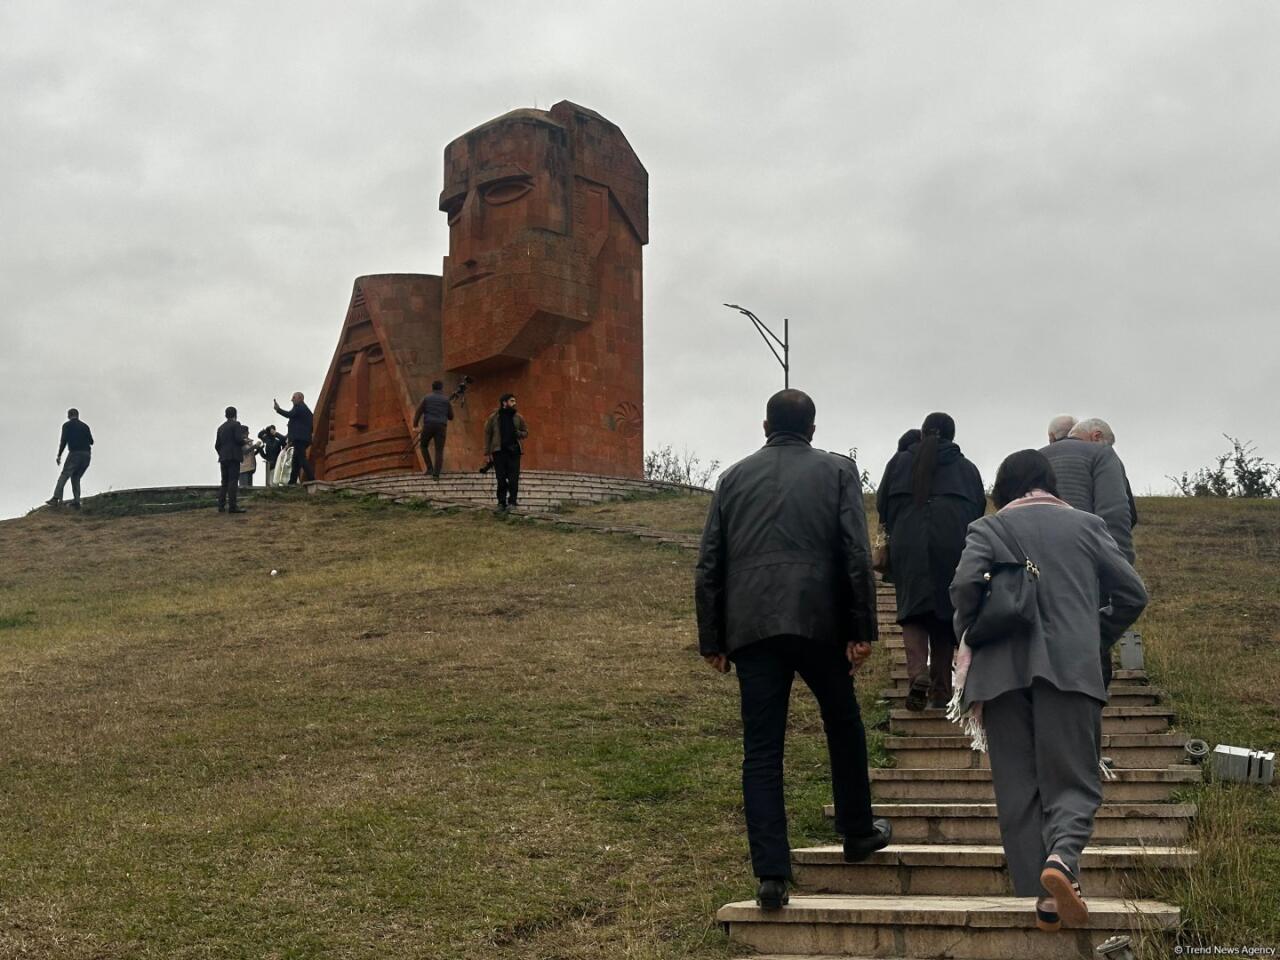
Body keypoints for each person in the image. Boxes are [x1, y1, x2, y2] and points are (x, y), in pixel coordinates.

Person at [695, 389, 889, 912]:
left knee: (761, 751)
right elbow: (853, 551)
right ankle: (856, 832)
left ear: (764, 427)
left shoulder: (732, 477)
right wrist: (861, 629)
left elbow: (710, 560)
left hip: (753, 628)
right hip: (821, 621)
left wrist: (712, 638)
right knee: (844, 725)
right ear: (813, 429)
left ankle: (772, 875)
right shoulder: (838, 471)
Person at [950, 449, 1147, 932]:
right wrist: (1093, 634)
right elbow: (1133, 594)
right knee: (1074, 781)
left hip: (998, 677)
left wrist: (973, 634)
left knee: (1018, 791)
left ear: (1002, 486)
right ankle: (1061, 859)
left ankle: (1045, 899)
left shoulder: (987, 528)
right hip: (1069, 669)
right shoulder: (1086, 525)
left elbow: (962, 588)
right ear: (1051, 482)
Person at [876, 412, 985, 711]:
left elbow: (882, 504)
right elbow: (978, 510)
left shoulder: (899, 462)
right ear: (953, 434)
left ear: (922, 434)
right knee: (944, 613)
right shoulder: (966, 468)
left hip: (907, 543)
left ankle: (917, 676)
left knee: (912, 611)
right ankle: (941, 689)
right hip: (953, 544)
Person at [1038, 418, 1134, 562]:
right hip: (1084, 556)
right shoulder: (1103, 453)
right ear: (1096, 436)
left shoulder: (1036, 457)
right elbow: (1115, 512)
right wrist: (1121, 561)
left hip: (1038, 556)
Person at [482, 394, 528, 512]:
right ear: (504, 402)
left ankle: (512, 501)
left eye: (515, 401)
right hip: (499, 452)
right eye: (512, 401)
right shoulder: (494, 418)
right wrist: (487, 453)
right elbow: (488, 434)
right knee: (500, 478)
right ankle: (501, 502)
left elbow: (526, 432)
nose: (514, 403)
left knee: (513, 478)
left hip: (514, 452)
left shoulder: (518, 417)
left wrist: (518, 433)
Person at [47, 408, 94, 509]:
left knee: (64, 475)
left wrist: (59, 455)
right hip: (86, 455)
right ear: (78, 415)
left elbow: (63, 441)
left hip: (74, 454)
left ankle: (55, 498)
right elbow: (91, 441)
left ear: (69, 416)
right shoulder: (85, 426)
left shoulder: (67, 426)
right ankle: (77, 502)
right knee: (76, 477)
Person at [413, 380, 454, 480]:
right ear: (441, 388)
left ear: (432, 388)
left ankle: (430, 468)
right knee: (439, 450)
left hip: (428, 425)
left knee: (423, 445)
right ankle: (436, 474)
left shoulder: (427, 398)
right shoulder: (446, 400)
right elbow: (451, 416)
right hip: (441, 427)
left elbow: (418, 412)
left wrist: (415, 425)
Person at [273, 392, 314, 485]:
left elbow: (290, 414)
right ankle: (292, 482)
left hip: (299, 438)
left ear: (300, 398)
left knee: (302, 459)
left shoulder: (300, 407)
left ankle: (312, 478)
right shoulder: (305, 410)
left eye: (294, 397)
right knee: (295, 461)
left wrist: (278, 409)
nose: (292, 399)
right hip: (302, 438)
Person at [215, 407, 247, 514]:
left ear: (225, 415)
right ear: (235, 415)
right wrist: (244, 441)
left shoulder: (220, 428)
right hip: (233, 457)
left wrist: (222, 454)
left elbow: (217, 445)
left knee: (224, 482)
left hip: (223, 458)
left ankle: (221, 506)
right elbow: (238, 439)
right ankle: (232, 507)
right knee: (233, 481)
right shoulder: (236, 425)